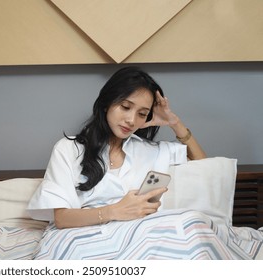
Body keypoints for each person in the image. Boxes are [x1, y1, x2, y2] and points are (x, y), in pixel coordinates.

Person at [26, 67, 225, 259]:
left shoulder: (149, 150)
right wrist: (115, 211)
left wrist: (175, 123)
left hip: (136, 236)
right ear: (107, 103)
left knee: (193, 224)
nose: (131, 120)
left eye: (141, 113)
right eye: (126, 107)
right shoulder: (69, 149)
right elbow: (61, 219)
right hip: (80, 236)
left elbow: (202, 164)